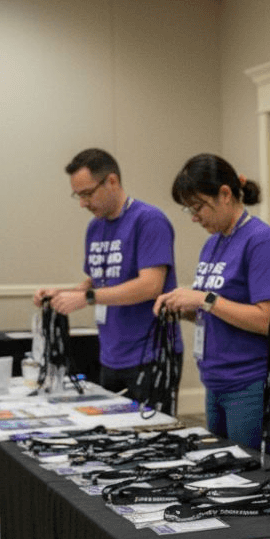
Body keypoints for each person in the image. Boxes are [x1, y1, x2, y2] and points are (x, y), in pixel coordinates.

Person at [154, 154, 270, 450]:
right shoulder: (213, 242)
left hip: (252, 382)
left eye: (198, 206)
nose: (194, 216)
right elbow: (214, 310)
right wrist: (184, 308)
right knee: (223, 475)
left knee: (249, 477)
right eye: (189, 209)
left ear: (225, 194)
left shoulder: (261, 242)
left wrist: (205, 299)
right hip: (217, 380)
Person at [34, 148, 178, 405]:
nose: (83, 203)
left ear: (112, 181)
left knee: (150, 437)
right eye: (77, 196)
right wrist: (65, 294)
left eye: (87, 194)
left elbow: (151, 286)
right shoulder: (95, 226)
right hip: (111, 353)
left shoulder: (149, 220)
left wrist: (88, 297)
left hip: (150, 354)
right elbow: (98, 281)